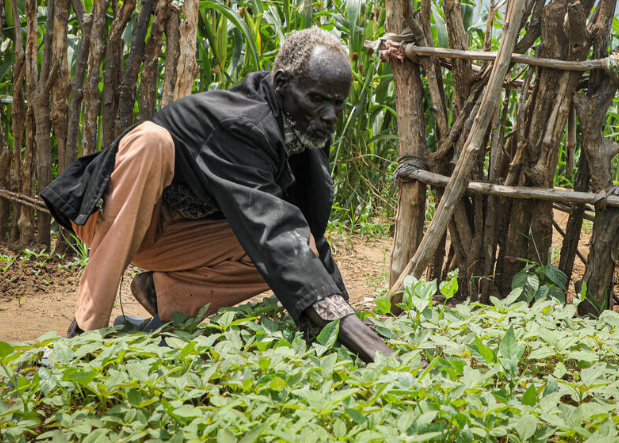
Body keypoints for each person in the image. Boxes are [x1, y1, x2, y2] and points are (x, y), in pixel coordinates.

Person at [41, 28, 393, 362]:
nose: (330, 116)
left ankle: (166, 296)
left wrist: (345, 316)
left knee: (303, 250)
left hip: (182, 239)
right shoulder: (245, 125)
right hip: (122, 218)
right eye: (317, 99)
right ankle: (84, 333)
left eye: (338, 104)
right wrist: (373, 349)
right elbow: (274, 233)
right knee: (151, 141)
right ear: (283, 84)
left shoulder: (306, 130)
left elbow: (304, 235)